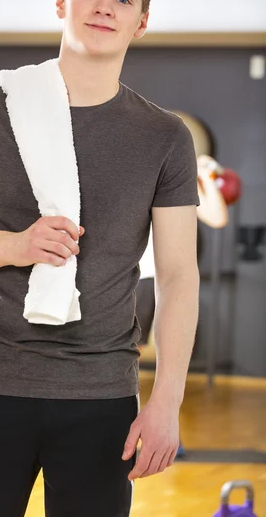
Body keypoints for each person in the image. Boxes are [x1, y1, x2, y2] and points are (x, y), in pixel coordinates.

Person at [0, 0, 201, 517]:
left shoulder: (165, 137)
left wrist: (167, 399)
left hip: (102, 397)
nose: (104, 6)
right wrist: (15, 244)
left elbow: (177, 277)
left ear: (141, 21)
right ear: (61, 2)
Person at [136, 154, 229, 456]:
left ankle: (155, 431)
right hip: (133, 278)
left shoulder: (179, 181)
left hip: (154, 282)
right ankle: (127, 431)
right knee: (125, 362)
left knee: (149, 360)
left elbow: (217, 216)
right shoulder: (141, 170)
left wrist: (202, 175)